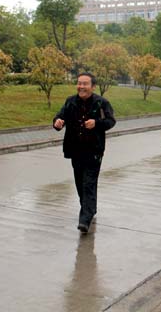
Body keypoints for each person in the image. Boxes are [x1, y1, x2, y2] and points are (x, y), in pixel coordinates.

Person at [53, 72, 116, 233]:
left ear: (93, 86)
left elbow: (111, 121)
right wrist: (57, 122)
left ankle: (85, 219)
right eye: (79, 83)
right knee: (80, 183)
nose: (81, 86)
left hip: (94, 151)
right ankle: (90, 209)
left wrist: (97, 123)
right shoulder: (70, 101)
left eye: (85, 84)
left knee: (89, 183)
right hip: (75, 150)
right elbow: (60, 117)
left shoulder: (101, 103)